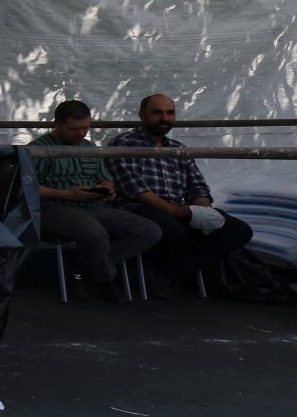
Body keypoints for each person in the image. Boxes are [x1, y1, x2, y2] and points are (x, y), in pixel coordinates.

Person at [105, 93, 254, 288]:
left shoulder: (178, 148)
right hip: (137, 208)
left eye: (170, 113)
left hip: (178, 208)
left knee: (238, 230)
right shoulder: (123, 143)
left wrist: (203, 209)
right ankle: (171, 277)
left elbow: (197, 186)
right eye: (157, 113)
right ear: (142, 115)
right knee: (175, 231)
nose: (164, 118)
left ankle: (166, 273)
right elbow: (133, 188)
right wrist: (174, 211)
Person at [29, 99, 160, 301]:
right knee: (94, 233)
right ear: (57, 124)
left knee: (150, 231)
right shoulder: (37, 149)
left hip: (93, 206)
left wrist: (107, 189)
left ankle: (84, 265)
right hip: (54, 208)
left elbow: (106, 177)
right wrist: (65, 194)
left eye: (85, 128)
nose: (80, 133)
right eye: (74, 129)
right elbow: (27, 187)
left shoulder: (89, 147)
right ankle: (104, 279)